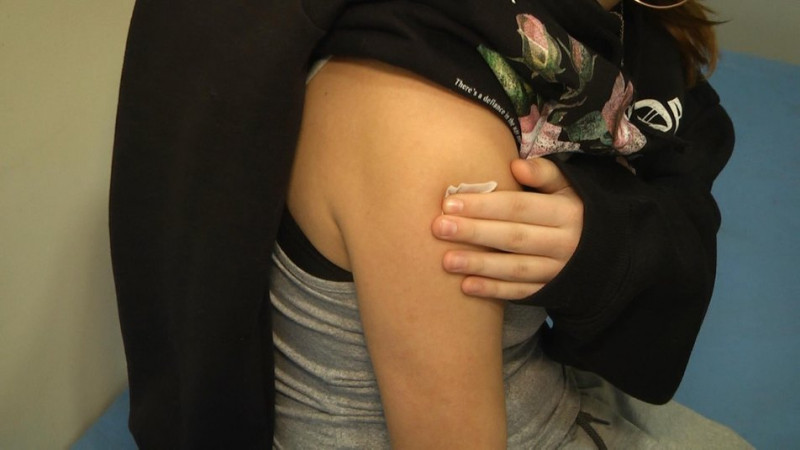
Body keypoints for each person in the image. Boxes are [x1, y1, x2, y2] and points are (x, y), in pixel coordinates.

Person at [110, 0, 750, 448]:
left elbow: (685, 163)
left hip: (547, 391)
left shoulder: (618, 42)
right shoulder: (424, 120)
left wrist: (609, 239)